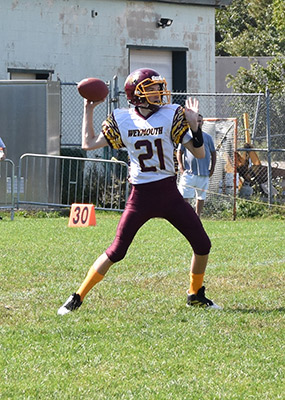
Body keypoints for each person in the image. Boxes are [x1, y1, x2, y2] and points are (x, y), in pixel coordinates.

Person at [58, 68, 221, 315]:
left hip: (168, 192)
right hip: (140, 196)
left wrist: (195, 126)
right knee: (116, 251)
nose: (158, 92)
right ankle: (77, 296)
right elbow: (88, 143)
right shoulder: (122, 118)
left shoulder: (171, 114)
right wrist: (88, 109)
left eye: (158, 87)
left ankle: (195, 294)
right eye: (152, 88)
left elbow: (199, 153)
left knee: (202, 243)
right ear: (137, 94)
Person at [177, 114, 216, 217]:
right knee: (184, 195)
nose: (198, 123)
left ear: (203, 122)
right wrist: (181, 167)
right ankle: (187, 215)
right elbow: (179, 152)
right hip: (189, 173)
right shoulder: (186, 136)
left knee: (201, 196)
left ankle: (197, 216)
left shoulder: (207, 137)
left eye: (200, 121)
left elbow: (213, 153)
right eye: (196, 121)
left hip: (203, 173)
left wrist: (212, 168)